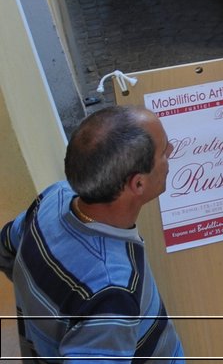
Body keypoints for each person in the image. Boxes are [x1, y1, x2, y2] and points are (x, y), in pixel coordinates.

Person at [0, 106, 184, 361]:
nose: (171, 152)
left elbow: (7, 246)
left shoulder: (55, 197)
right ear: (138, 183)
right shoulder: (113, 290)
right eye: (164, 151)